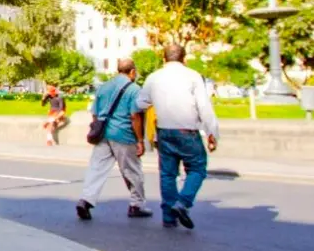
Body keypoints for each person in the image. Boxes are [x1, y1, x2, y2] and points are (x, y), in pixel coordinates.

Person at [136, 44, 218, 230]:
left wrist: (156, 101)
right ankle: (183, 202)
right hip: (188, 130)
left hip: (164, 130)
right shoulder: (192, 76)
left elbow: (140, 102)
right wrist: (212, 132)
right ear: (184, 58)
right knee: (197, 168)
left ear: (164, 59)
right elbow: (204, 107)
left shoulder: (154, 77)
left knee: (167, 173)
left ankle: (168, 216)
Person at [76, 58, 151, 220]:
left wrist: (97, 127)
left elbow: (95, 113)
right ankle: (136, 204)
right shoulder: (134, 89)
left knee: (96, 168)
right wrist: (139, 140)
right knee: (132, 171)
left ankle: (86, 200)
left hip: (103, 134)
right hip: (123, 134)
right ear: (132, 72)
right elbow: (134, 116)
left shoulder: (104, 87)